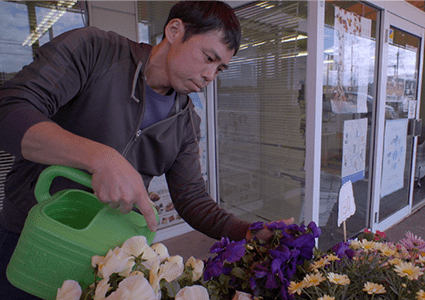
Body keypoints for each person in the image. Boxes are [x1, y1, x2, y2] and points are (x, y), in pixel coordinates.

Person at [0, 0, 292, 298]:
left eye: (220, 68)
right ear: (175, 30)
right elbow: (9, 110)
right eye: (208, 57)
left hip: (108, 257)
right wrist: (101, 158)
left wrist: (246, 231)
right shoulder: (94, 50)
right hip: (34, 234)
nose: (210, 76)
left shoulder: (187, 121)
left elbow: (191, 198)